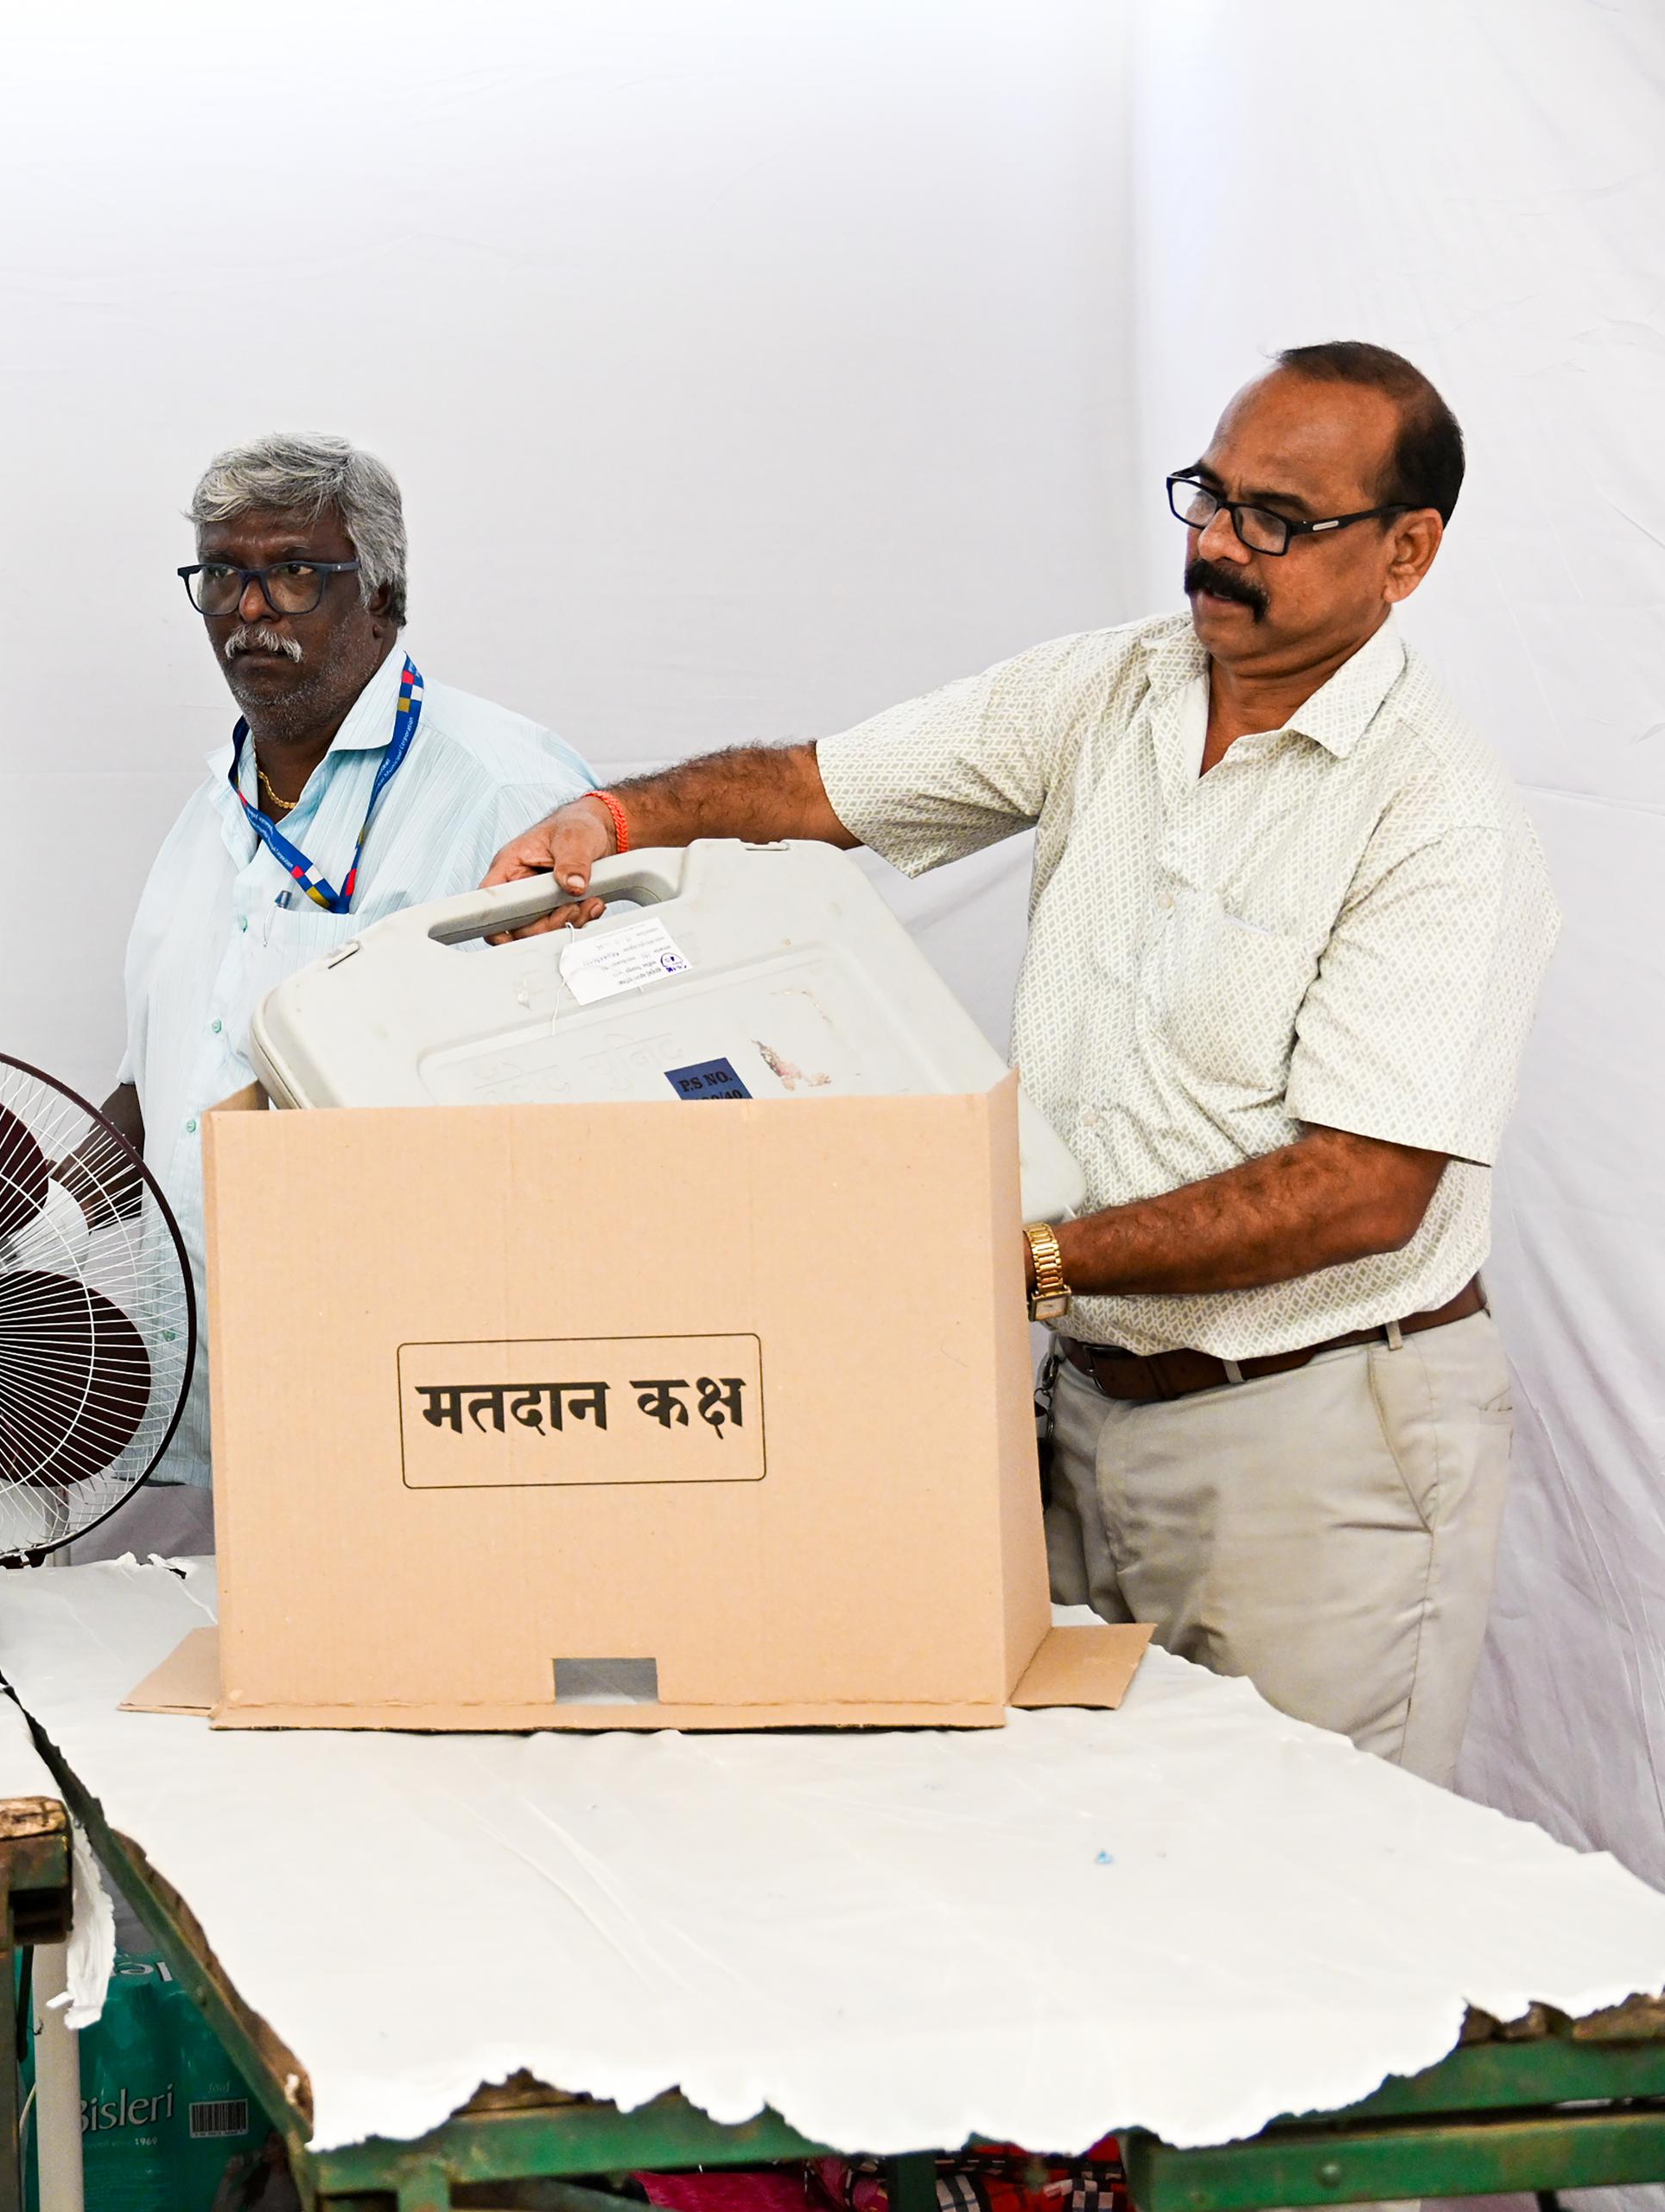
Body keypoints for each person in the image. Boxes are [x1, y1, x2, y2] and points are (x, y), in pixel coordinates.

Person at [481, 344, 1555, 1783]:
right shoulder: (1111, 691)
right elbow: (822, 787)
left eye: (1277, 520)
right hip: (1091, 1408)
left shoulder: (1439, 813)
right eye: (1208, 497)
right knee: (1082, 1841)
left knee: (1303, 1887)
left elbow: (1366, 1189)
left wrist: (1018, 1265)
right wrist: (615, 817)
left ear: (1407, 551)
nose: (1217, 549)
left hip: (1317, 1442)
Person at [86, 435, 596, 1543]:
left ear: (385, 596)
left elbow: (589, 1091)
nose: (249, 608)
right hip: (196, 1415)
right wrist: (3, 1236)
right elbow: (166, 1075)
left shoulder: (502, 789)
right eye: (221, 574)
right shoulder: (215, 809)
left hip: (407, 1398)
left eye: (293, 573)